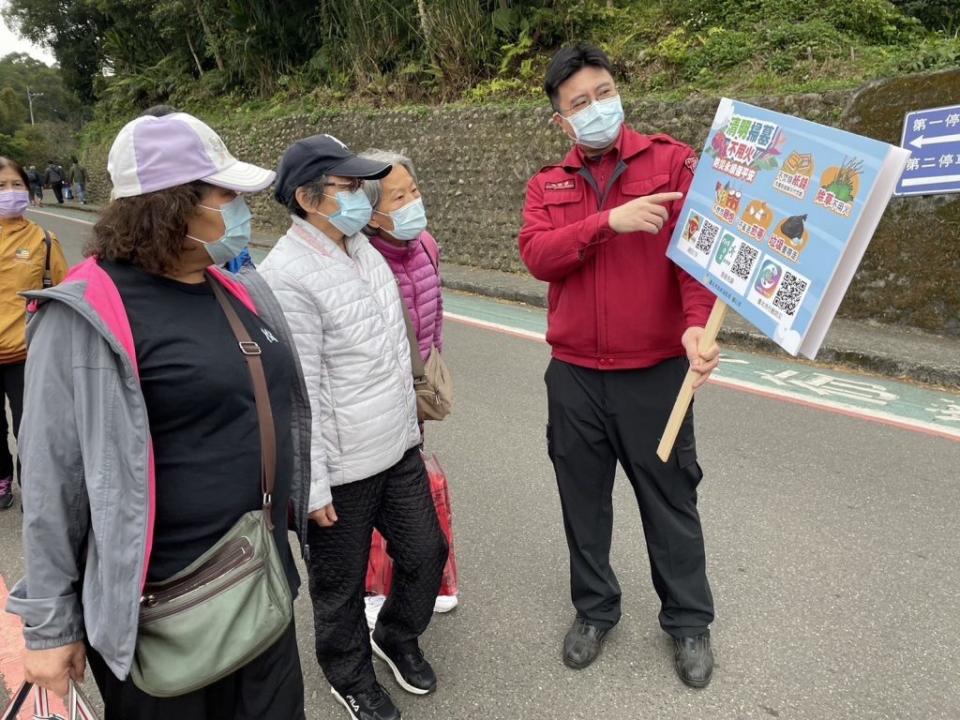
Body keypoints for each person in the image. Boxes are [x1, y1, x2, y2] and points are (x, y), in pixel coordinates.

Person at [7, 112, 315, 719]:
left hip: (257, 582)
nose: (241, 211)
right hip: (159, 612)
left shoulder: (238, 288)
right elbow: (52, 479)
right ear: (171, 206)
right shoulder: (85, 315)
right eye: (226, 195)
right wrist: (49, 626)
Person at [518, 43, 721, 689]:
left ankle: (688, 622)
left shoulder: (671, 161)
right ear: (561, 120)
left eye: (603, 92)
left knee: (670, 502)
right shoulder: (548, 183)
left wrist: (695, 325)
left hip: (656, 372)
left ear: (618, 91)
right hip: (574, 374)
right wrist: (608, 221)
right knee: (583, 504)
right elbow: (539, 255)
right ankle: (594, 611)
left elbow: (699, 256)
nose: (596, 107)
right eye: (580, 102)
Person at [259, 134, 448, 720]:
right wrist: (310, 486)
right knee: (339, 588)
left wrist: (413, 425)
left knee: (426, 551)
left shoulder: (361, 246)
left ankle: (396, 634)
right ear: (309, 198)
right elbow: (299, 391)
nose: (361, 196)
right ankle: (350, 675)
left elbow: (393, 348)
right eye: (347, 186)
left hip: (396, 444)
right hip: (339, 469)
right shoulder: (287, 275)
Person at [358, 149, 455, 622]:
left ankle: (410, 581)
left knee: (409, 494)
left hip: (416, 394)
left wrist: (429, 380)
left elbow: (433, 321)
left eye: (413, 190)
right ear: (370, 212)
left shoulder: (427, 246)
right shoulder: (361, 259)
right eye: (399, 197)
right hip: (375, 403)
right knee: (377, 496)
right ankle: (373, 590)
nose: (413, 202)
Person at [0, 156, 68, 509]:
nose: (10, 193)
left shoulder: (44, 240)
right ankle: (1, 479)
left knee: (31, 426)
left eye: (16, 185)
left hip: (28, 352)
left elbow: (64, 292)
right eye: (1, 187)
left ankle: (34, 484)